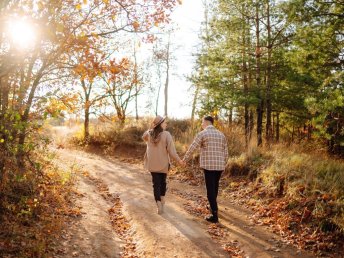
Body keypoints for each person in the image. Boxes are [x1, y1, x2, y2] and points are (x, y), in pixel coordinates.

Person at [183, 116, 228, 223]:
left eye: (202, 122)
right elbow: (226, 152)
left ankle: (214, 215)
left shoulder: (203, 134)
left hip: (209, 166)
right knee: (215, 187)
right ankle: (213, 207)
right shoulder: (221, 135)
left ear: (207, 122)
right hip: (219, 166)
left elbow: (193, 147)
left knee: (210, 191)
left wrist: (185, 159)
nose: (201, 124)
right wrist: (224, 164)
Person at [142, 115, 184, 214]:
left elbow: (143, 137)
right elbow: (172, 151)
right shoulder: (167, 134)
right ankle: (162, 198)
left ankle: (158, 205)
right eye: (164, 122)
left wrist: (151, 127)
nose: (166, 124)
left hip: (152, 164)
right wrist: (179, 161)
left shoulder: (149, 134)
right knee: (163, 182)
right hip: (164, 164)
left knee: (156, 184)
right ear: (160, 124)